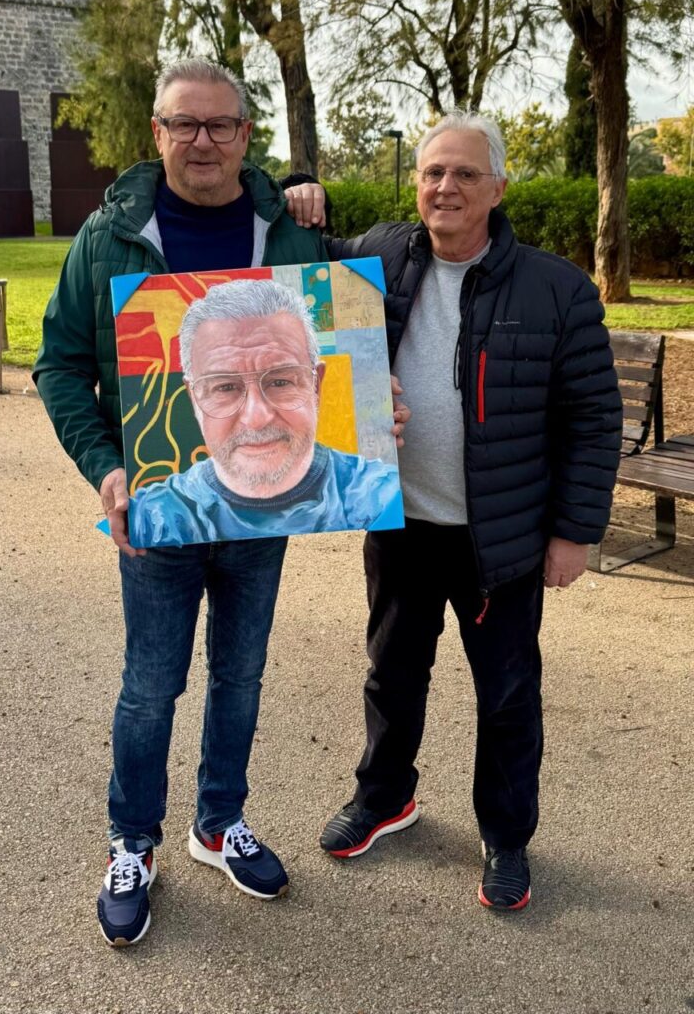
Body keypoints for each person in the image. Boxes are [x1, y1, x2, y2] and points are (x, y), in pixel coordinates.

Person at [285, 111, 622, 910]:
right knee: (391, 673)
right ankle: (384, 797)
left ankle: (506, 835)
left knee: (506, 694)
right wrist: (292, 190)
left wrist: (574, 532)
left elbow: (594, 418)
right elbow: (287, 281)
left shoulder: (556, 288)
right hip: (399, 522)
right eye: (434, 171)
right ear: (417, 182)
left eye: (466, 174)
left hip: (498, 538)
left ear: (498, 188)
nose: (446, 187)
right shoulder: (376, 257)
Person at [34, 58, 332, 948]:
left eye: (221, 125)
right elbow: (59, 365)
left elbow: (332, 359)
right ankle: (134, 840)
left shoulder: (291, 234)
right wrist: (106, 467)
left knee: (239, 677)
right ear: (156, 134)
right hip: (160, 507)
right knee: (151, 687)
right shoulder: (108, 238)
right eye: (183, 125)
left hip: (263, 509)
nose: (202, 141)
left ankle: (218, 823)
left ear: (247, 136)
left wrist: (363, 419)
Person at [130, 278, 402, 547]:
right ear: (193, 397)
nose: (256, 418)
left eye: (280, 382)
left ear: (316, 385)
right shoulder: (151, 516)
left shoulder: (379, 495)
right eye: (225, 387)